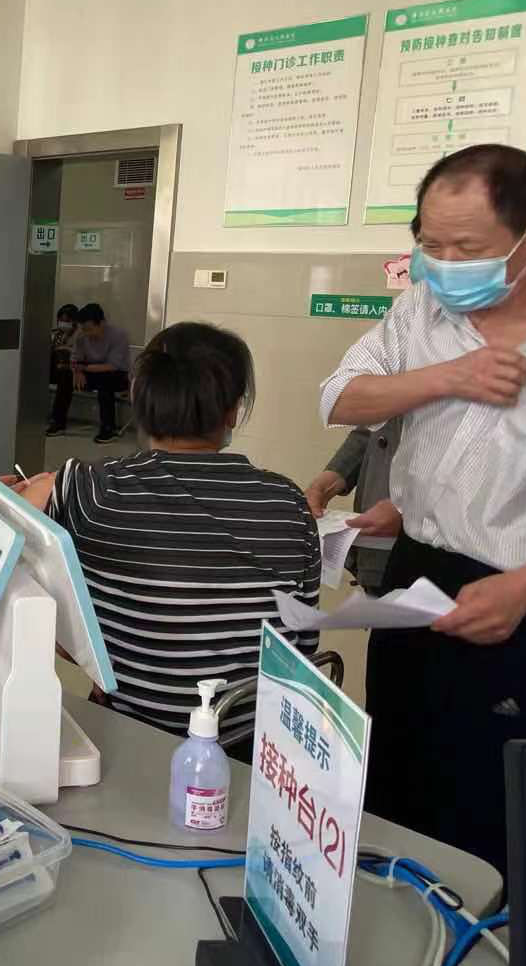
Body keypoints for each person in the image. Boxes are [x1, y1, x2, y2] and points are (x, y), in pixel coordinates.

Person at [320, 144, 526, 874]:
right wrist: (449, 379)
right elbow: (340, 397)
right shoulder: (421, 307)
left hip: (521, 595)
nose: (443, 264)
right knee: (399, 769)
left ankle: (492, 934)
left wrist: (525, 590)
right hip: (415, 577)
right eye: (429, 243)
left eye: (466, 249)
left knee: (495, 802)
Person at [20, 322, 321, 747]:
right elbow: (302, 647)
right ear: (233, 411)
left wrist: (72, 644)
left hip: (126, 735)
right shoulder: (288, 501)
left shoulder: (90, 491)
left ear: (139, 398)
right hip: (253, 744)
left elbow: (6, 564)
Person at [304, 418, 403, 593]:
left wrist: (410, 513)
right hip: (375, 557)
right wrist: (332, 477)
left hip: (431, 555)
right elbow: (374, 428)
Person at [48, 301, 131, 442]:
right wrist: (77, 371)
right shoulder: (82, 336)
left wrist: (84, 368)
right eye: (84, 329)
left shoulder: (118, 335)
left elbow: (112, 366)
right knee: (66, 376)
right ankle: (58, 422)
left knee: (105, 380)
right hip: (91, 371)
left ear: (102, 323)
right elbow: (75, 359)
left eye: (90, 329)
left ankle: (108, 429)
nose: (87, 333)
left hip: (116, 375)